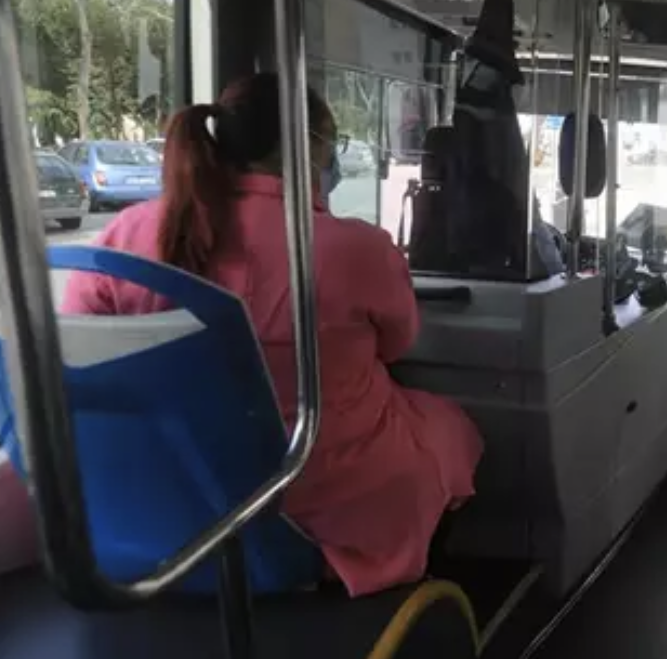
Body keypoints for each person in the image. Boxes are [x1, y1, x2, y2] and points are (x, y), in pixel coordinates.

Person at [61, 73, 484, 597]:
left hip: (162, 495)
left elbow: (84, 353)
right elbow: (396, 344)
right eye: (334, 147)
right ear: (310, 147)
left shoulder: (124, 234)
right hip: (312, 489)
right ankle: (402, 589)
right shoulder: (356, 248)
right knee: (452, 430)